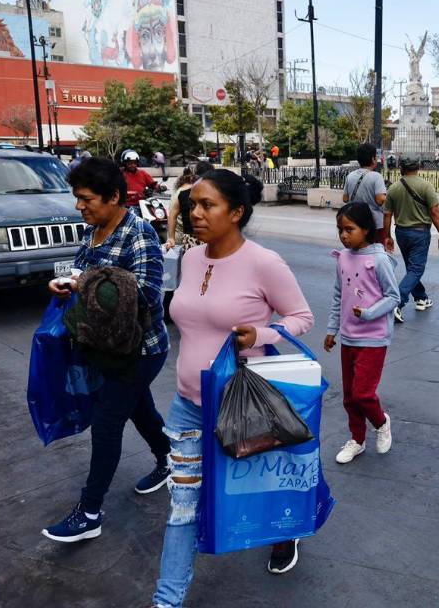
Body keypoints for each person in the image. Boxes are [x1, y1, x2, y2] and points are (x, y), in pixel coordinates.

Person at [152, 169, 316, 606]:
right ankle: (166, 601)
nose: (195, 213)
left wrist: (260, 335)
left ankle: (285, 535)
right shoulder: (189, 259)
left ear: (237, 212)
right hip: (188, 405)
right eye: (192, 205)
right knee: (183, 506)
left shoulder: (264, 262)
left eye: (208, 205)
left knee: (262, 488)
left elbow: (302, 317)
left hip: (248, 406)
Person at [42, 157, 172, 543]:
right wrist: (66, 283)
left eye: (86, 199)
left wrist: (87, 284)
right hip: (104, 347)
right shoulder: (93, 231)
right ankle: (170, 460)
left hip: (140, 350)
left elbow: (148, 295)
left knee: (108, 420)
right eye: (77, 199)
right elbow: (84, 274)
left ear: (114, 196)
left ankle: (90, 511)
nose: (79, 206)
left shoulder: (139, 234)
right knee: (140, 409)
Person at [325, 202, 399, 464]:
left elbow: (394, 297)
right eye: (340, 230)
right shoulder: (343, 257)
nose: (344, 235)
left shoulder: (379, 260)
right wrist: (332, 329)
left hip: (374, 338)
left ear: (366, 229)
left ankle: (381, 422)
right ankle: (357, 439)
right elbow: (338, 295)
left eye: (349, 229)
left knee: (363, 394)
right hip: (348, 337)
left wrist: (369, 313)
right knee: (349, 397)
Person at [382, 158, 439, 323]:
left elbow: (387, 215)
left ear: (401, 168)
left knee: (412, 268)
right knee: (416, 270)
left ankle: (421, 297)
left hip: (401, 233)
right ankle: (397, 302)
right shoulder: (426, 186)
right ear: (418, 167)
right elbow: (435, 212)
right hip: (420, 232)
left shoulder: (394, 188)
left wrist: (387, 236)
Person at [342, 143, 388, 243]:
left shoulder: (350, 176)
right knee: (377, 252)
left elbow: (345, 199)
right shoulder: (376, 176)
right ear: (373, 159)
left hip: (357, 222)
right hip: (375, 223)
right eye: (376, 157)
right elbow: (380, 200)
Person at [166, 161, 211, 251]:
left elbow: (172, 215)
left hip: (189, 239)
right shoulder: (213, 193)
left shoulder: (183, 192)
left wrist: (171, 237)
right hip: (204, 237)